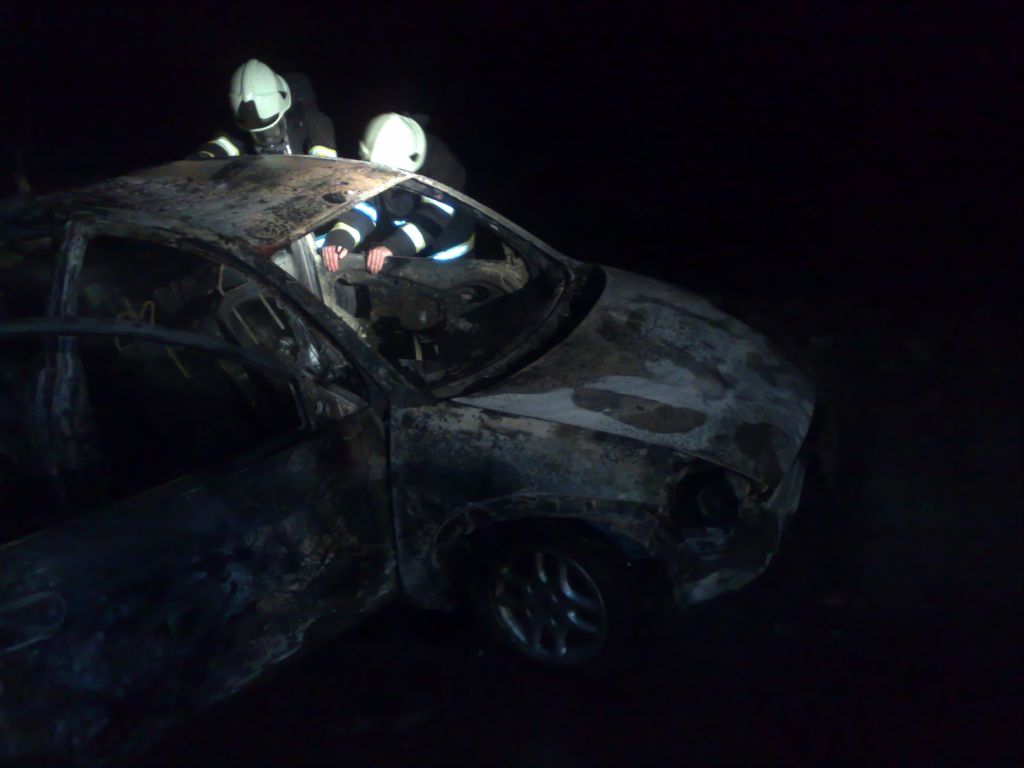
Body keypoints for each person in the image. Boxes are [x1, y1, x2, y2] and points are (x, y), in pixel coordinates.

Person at [321, 113, 474, 274]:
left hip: (448, 258)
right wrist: (340, 238)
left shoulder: (443, 165)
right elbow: (365, 208)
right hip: (403, 254)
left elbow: (434, 218)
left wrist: (393, 247)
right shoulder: (379, 158)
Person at [191, 59, 337, 158]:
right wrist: (205, 158)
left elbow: (322, 142)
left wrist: (322, 161)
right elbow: (225, 143)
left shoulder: (309, 119)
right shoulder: (243, 127)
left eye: (273, 129)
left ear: (284, 112)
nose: (268, 139)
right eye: (259, 134)